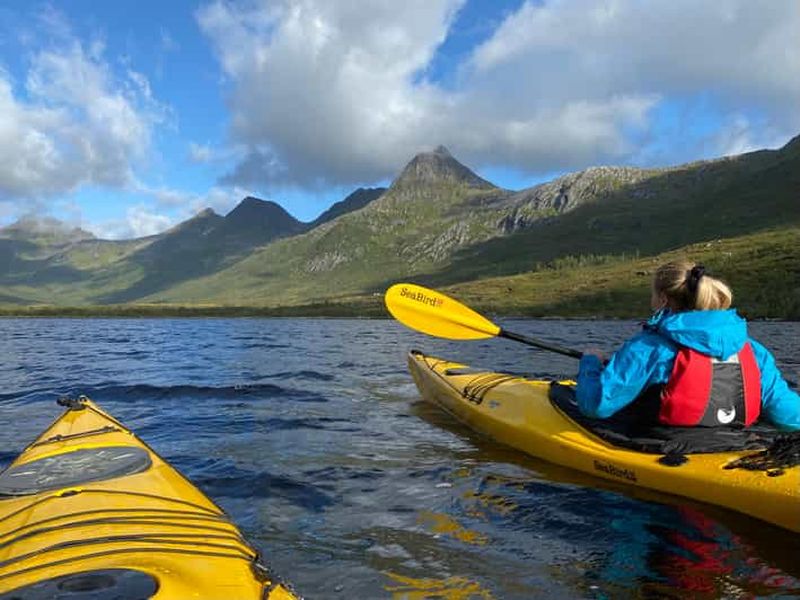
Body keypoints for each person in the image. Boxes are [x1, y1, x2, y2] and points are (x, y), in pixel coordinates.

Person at [576, 259, 800, 430]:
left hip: (666, 447)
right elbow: (789, 416)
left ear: (663, 299)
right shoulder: (753, 351)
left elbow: (596, 405)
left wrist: (591, 362)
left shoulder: (649, 348)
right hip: (736, 444)